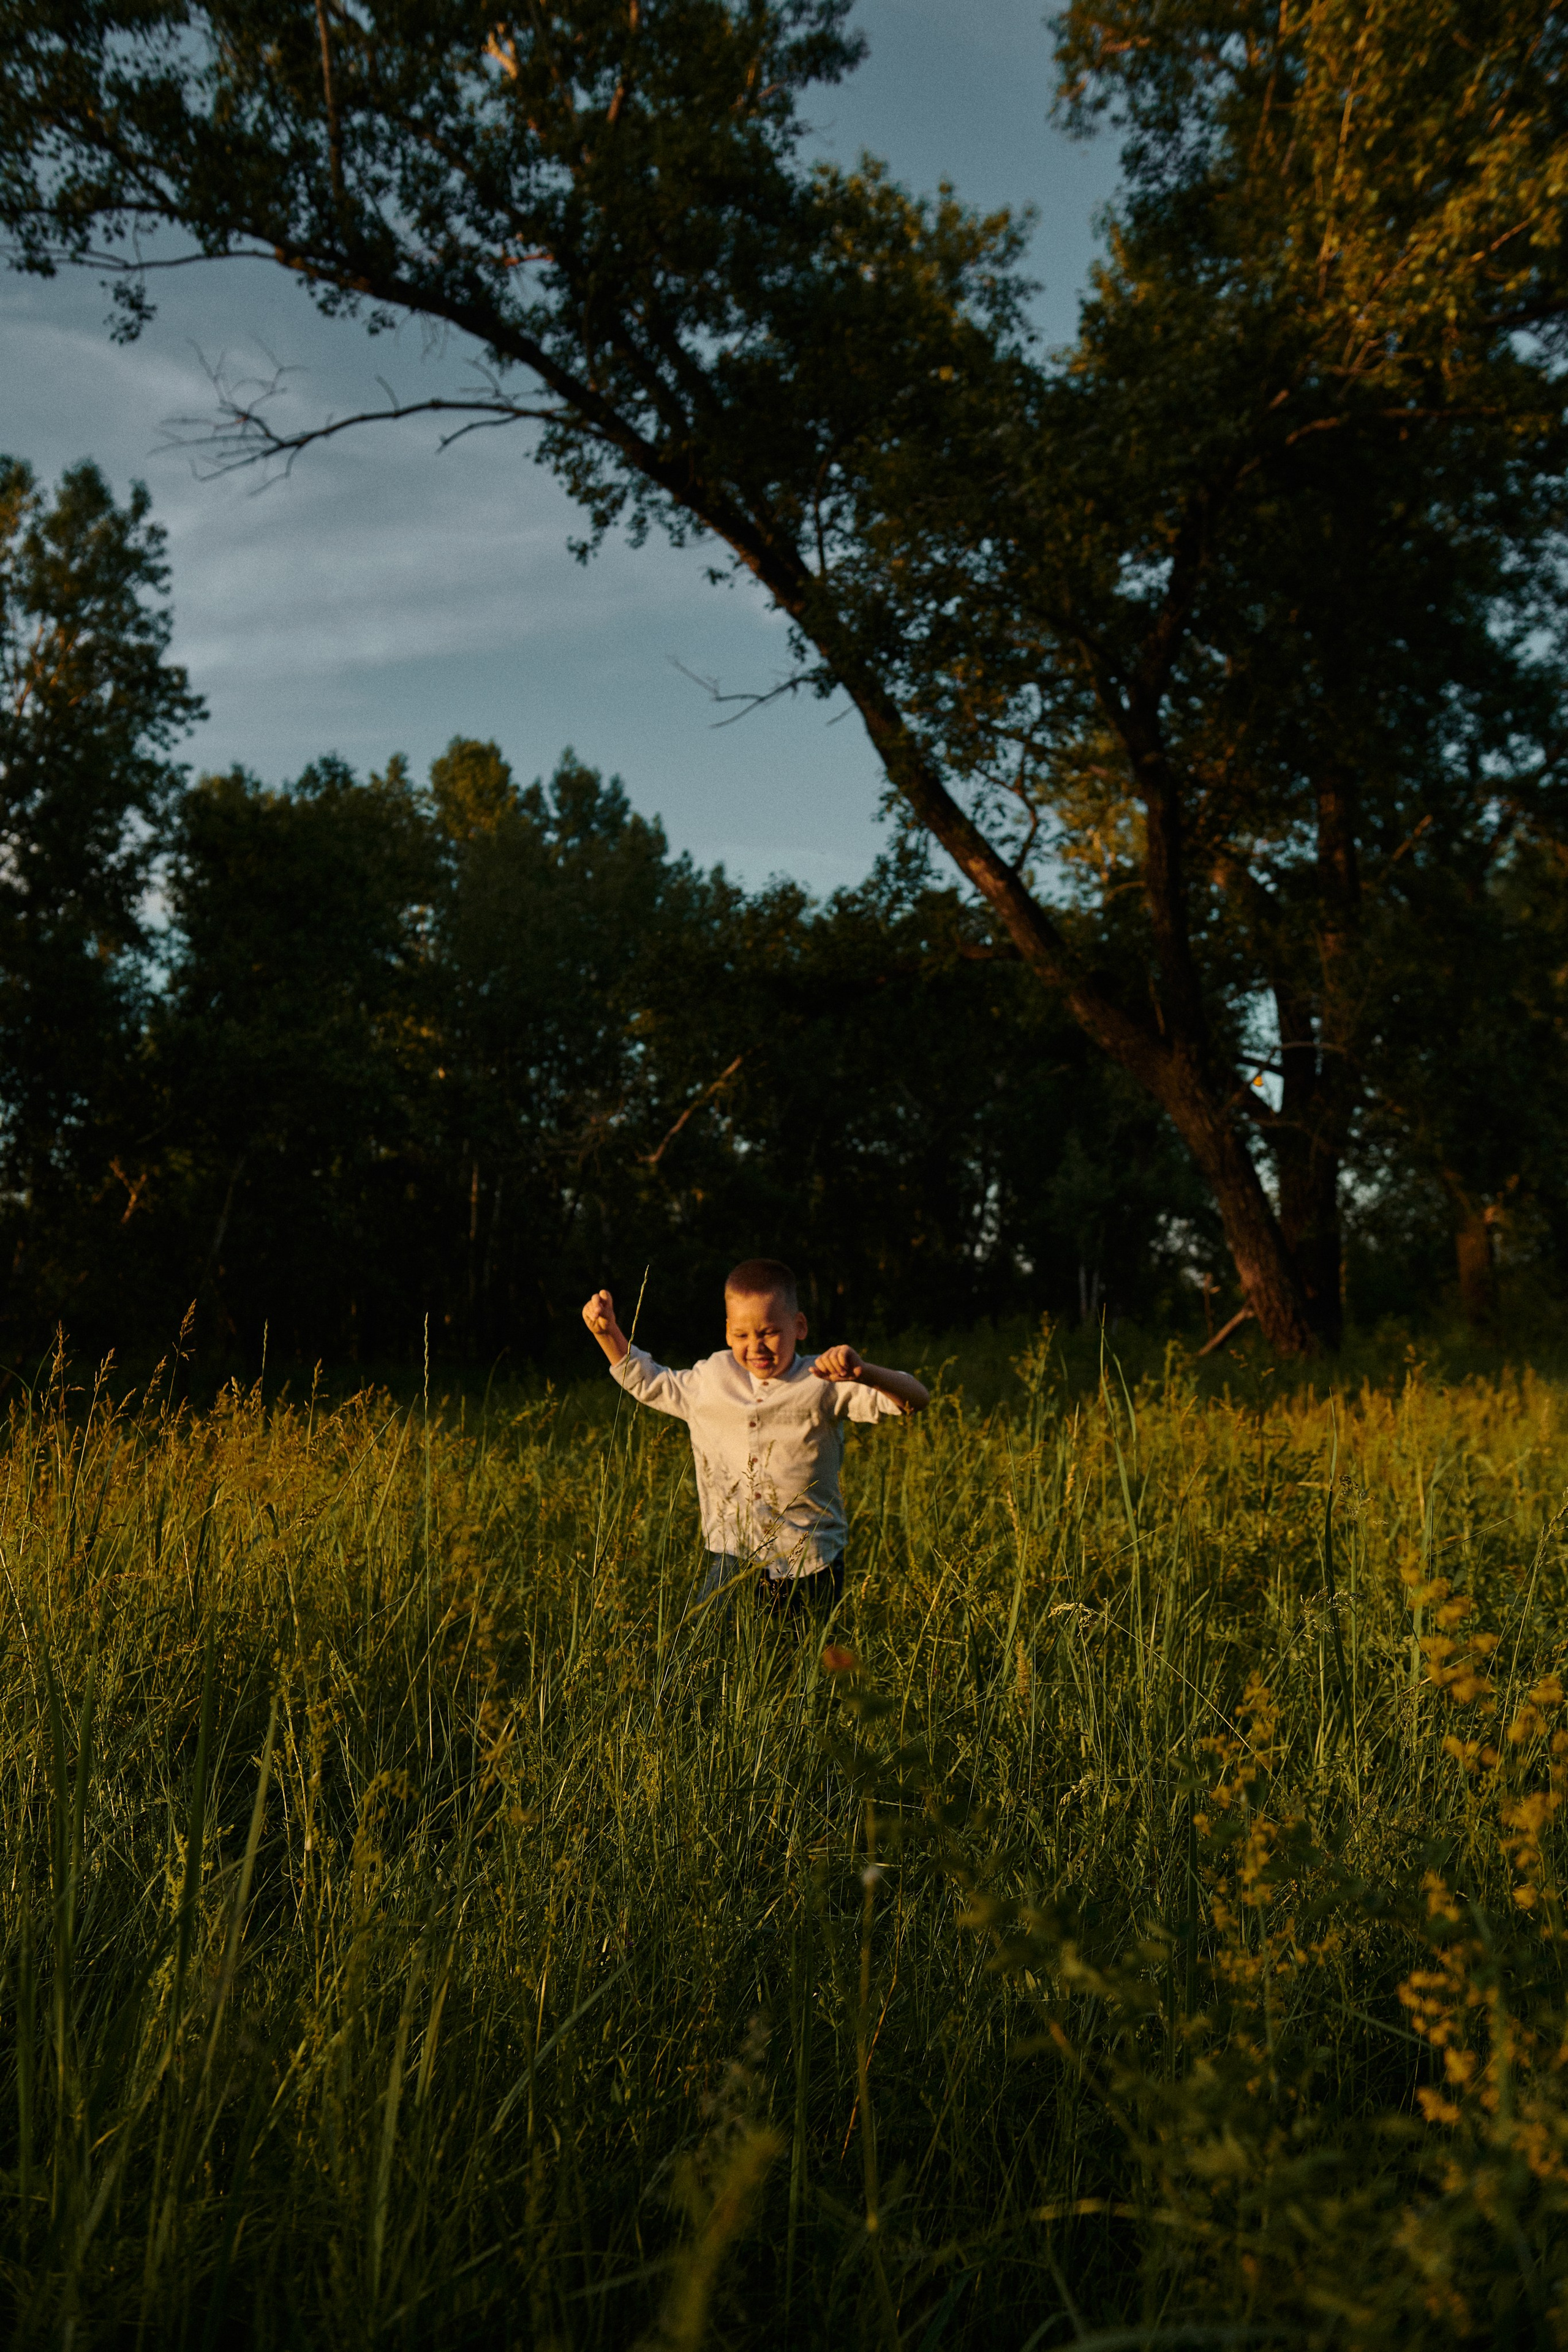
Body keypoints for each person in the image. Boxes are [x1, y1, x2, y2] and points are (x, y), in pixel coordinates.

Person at [581, 1257, 929, 1612]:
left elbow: (915, 1400)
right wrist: (607, 1334)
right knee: (707, 1650)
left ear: (800, 1326)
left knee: (805, 1658)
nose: (756, 1346)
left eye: (769, 1332)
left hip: (811, 1559)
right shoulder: (710, 1379)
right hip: (734, 1554)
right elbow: (650, 1381)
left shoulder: (822, 1380)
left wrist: (866, 1372)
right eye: (742, 1335)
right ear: (728, 1330)